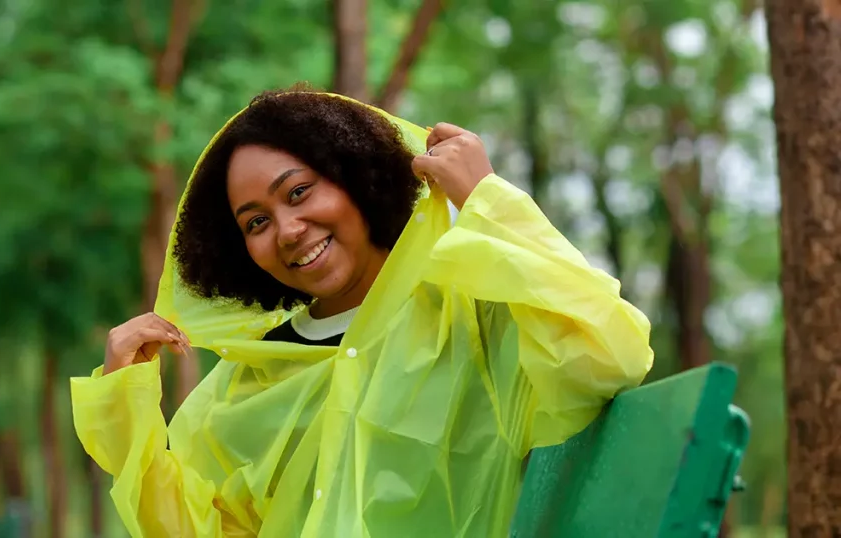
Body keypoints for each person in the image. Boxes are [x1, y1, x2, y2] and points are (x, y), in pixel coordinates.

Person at [72, 87, 654, 537]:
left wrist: (488, 203)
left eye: (298, 191)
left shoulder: (470, 314)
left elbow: (606, 359)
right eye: (256, 222)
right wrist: (127, 414)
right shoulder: (250, 378)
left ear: (354, 176)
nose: (289, 230)